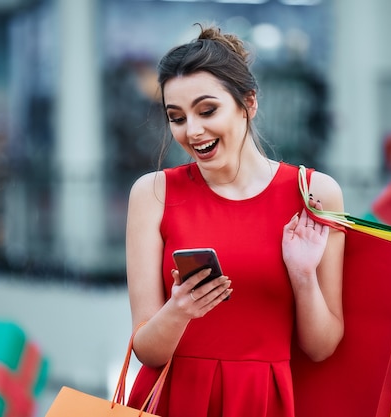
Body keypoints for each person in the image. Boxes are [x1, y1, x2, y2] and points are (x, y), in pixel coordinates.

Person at [125, 24, 345, 417]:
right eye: (176, 117)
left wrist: (303, 275)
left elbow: (322, 346)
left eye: (207, 110)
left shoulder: (314, 193)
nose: (193, 131)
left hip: (261, 402)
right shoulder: (151, 194)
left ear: (249, 103)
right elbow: (145, 350)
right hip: (174, 400)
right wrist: (180, 310)